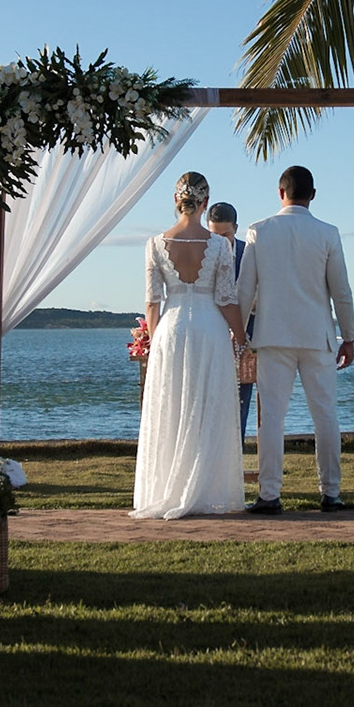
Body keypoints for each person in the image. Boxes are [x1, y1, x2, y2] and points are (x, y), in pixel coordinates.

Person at [236, 165, 354, 514]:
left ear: (280, 192)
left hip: (273, 335)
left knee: (271, 417)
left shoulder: (259, 231)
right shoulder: (328, 233)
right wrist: (348, 336)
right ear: (313, 195)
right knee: (326, 415)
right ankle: (331, 493)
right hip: (317, 336)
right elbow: (341, 291)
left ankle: (269, 494)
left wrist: (240, 336)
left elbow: (245, 289)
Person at [132, 173, 249, 518]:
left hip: (170, 328)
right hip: (210, 329)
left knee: (171, 405)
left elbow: (152, 302)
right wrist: (242, 339)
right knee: (208, 405)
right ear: (206, 201)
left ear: (175, 199)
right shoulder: (218, 245)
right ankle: (206, 487)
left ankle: (167, 486)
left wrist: (154, 342)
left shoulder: (154, 244)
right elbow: (227, 299)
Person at [208, 201, 259, 440]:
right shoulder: (201, 254)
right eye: (214, 234)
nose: (219, 241)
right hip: (210, 337)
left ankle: (235, 454)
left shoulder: (251, 253)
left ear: (236, 229)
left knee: (241, 403)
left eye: (225, 235)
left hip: (246, 339)